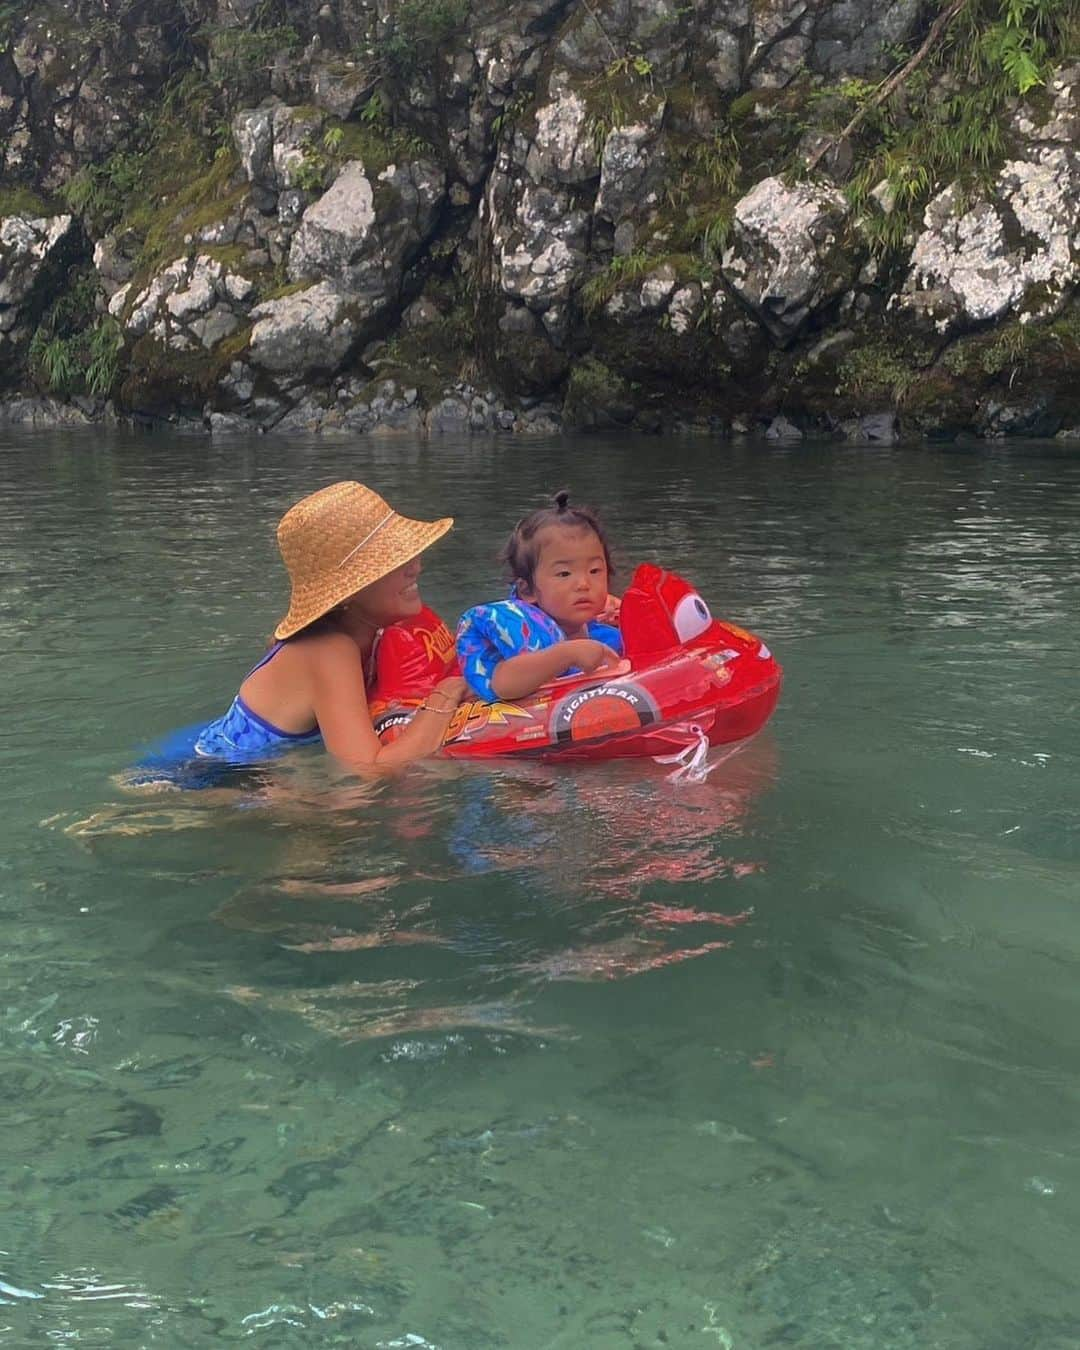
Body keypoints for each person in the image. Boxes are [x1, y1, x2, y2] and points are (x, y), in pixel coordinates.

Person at [148, 481, 468, 777]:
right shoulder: (330, 651)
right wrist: (449, 690)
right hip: (198, 780)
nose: (416, 567)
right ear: (349, 589)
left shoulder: (382, 634)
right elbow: (369, 772)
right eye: (394, 560)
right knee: (335, 813)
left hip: (246, 769)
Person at [456, 491, 623, 702]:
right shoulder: (525, 631)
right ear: (528, 591)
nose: (584, 584)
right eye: (564, 574)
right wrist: (565, 655)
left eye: (595, 571)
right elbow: (503, 684)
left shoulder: (603, 629)